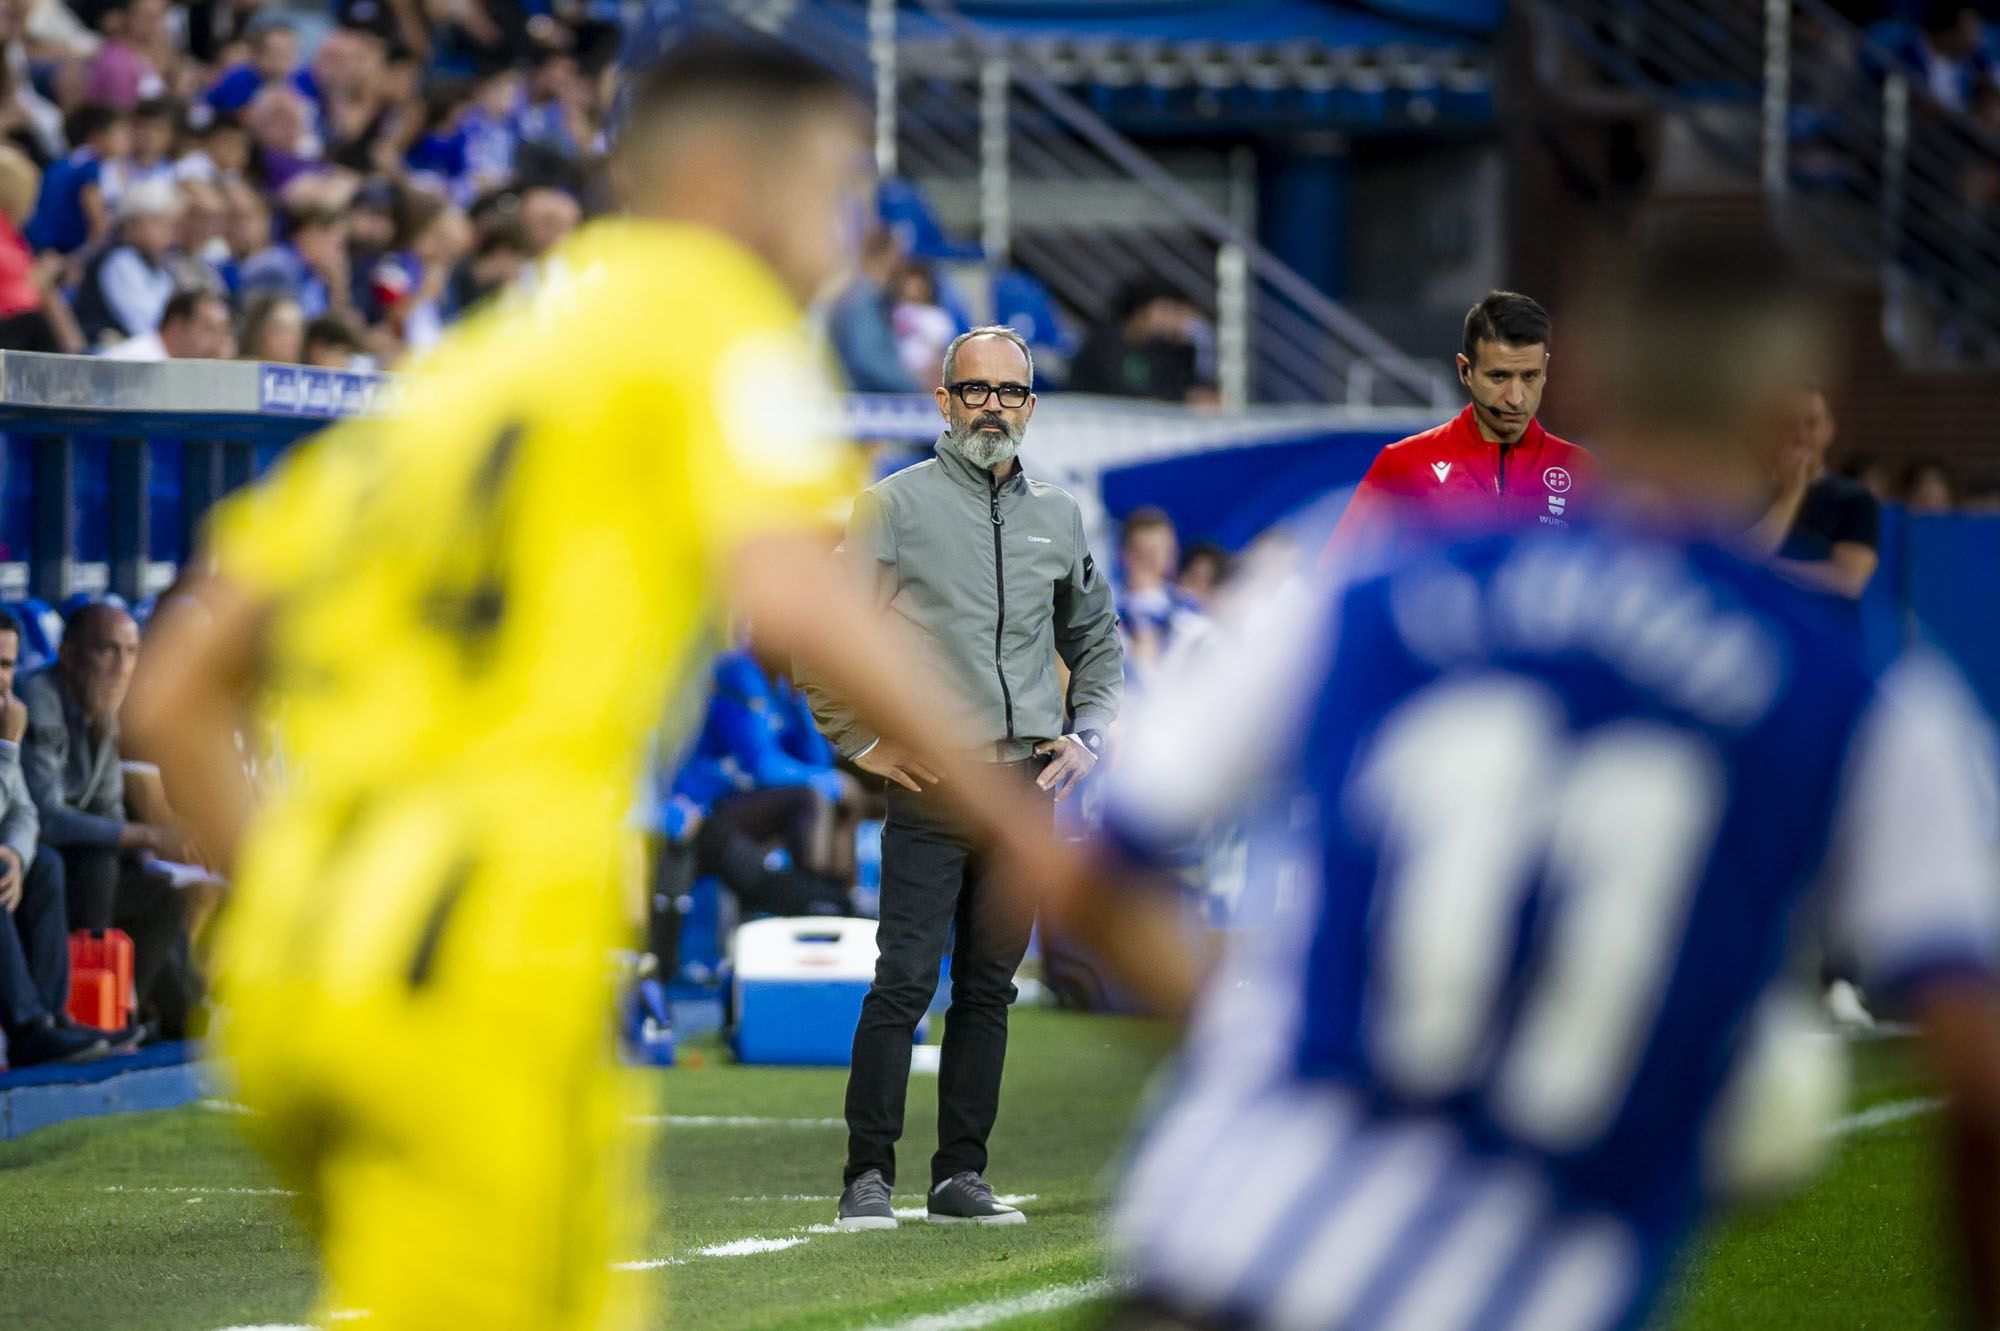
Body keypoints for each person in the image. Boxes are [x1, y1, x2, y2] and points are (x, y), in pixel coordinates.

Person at [124, 38, 1021, 1331]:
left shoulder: (482, 368)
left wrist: (295, 904)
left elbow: (176, 685)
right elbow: (795, 586)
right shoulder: (710, 318)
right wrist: (1026, 827)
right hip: (479, 944)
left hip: (314, 964)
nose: (853, 235)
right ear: (722, 182)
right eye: (836, 190)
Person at [1018, 233, 2000, 1331]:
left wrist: (1249, 1039)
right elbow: (1979, 1080)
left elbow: (1100, 866)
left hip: (1218, 1258)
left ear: (1575, 376)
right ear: (1792, 418)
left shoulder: (1365, 592)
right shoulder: (1872, 701)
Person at [803, 324, 1124, 1231]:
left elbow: (1096, 635)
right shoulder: (892, 506)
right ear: (941, 401)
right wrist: (862, 744)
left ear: (1030, 404)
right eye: (974, 390)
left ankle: (959, 1177)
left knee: (990, 987)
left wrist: (1089, 731)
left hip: (1026, 787)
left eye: (1009, 392)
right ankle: (867, 1175)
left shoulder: (1058, 516)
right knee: (904, 979)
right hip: (932, 785)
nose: (992, 406)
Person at [17, 601, 198, 1040]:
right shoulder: (38, 699)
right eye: (107, 651)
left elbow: (107, 806)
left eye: (131, 652)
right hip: (33, 858)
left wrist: (141, 848)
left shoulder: (109, 705)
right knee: (97, 859)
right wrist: (144, 835)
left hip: (77, 865)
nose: (121, 667)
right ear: (69, 654)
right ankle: (87, 1016)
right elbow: (45, 816)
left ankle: (125, 1006)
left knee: (164, 890)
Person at [1328, 290, 1597, 557]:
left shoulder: (1581, 471)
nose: (1516, 398)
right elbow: (1339, 573)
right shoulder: (1402, 463)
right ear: (1465, 371)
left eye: (1529, 377)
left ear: (1545, 370)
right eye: (1498, 377)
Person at [0, 608, 111, 1067]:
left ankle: (49, 1018)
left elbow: (24, 811)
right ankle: (26, 1028)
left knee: (44, 862)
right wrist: (7, 749)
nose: (0, 679)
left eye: (6, 665)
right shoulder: (10, 728)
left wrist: (15, 856)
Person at [1750, 386, 1879, 599]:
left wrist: (1765, 569)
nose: (1800, 436)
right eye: (1790, 424)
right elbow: (1737, 555)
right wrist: (1791, 495)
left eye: (1812, 424)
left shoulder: (1854, 499)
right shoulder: (1746, 492)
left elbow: (1849, 579)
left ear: (1828, 430)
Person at [70, 174, 178, 345]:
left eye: (170, 224)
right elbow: (143, 326)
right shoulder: (118, 260)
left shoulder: (161, 267)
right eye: (159, 222)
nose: (168, 232)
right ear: (132, 223)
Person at [1117, 506, 1211, 684]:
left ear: (1171, 556)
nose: (1147, 560)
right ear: (1124, 554)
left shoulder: (1191, 613)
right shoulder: (1101, 611)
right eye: (1139, 551)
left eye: (1156, 551)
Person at [1067, 278, 1201, 402]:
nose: (1173, 321)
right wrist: (1183, 397)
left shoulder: (1164, 350)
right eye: (1167, 311)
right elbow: (1121, 391)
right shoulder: (1105, 341)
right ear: (1141, 310)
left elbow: (1177, 384)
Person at [825, 222, 913, 392]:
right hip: (865, 402)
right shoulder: (863, 299)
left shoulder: (868, 296)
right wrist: (912, 384)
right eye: (897, 256)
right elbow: (868, 359)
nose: (901, 263)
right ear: (885, 256)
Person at [99, 284, 230, 360]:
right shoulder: (131, 361)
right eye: (209, 329)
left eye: (223, 331)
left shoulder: (194, 371)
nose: (219, 341)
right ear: (177, 326)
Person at [235, 290, 302, 363]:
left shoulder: (307, 371)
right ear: (257, 333)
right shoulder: (240, 368)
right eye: (282, 329)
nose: (294, 339)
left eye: (297, 330)